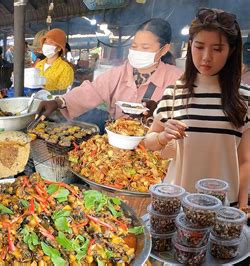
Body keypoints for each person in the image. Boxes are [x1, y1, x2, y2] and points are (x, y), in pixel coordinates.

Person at [144, 8, 249, 209]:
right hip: (176, 204)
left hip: (224, 208)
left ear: (231, 50)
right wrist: (163, 137)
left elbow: (245, 161)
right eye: (199, 47)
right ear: (190, 45)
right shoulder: (175, 92)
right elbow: (149, 142)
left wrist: (242, 206)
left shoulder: (244, 97)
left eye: (217, 49)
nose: (206, 57)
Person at [36, 18, 183, 131]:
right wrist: (58, 102)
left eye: (145, 47)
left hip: (156, 151)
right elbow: (91, 91)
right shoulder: (118, 73)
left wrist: (159, 113)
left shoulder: (177, 79)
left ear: (164, 50)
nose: (137, 51)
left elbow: (187, 118)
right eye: (134, 46)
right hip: (117, 142)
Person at [35, 28, 74, 94]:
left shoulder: (66, 69)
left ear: (59, 48)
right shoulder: (39, 64)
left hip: (52, 103)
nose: (46, 45)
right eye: (45, 42)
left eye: (51, 43)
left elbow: (63, 94)